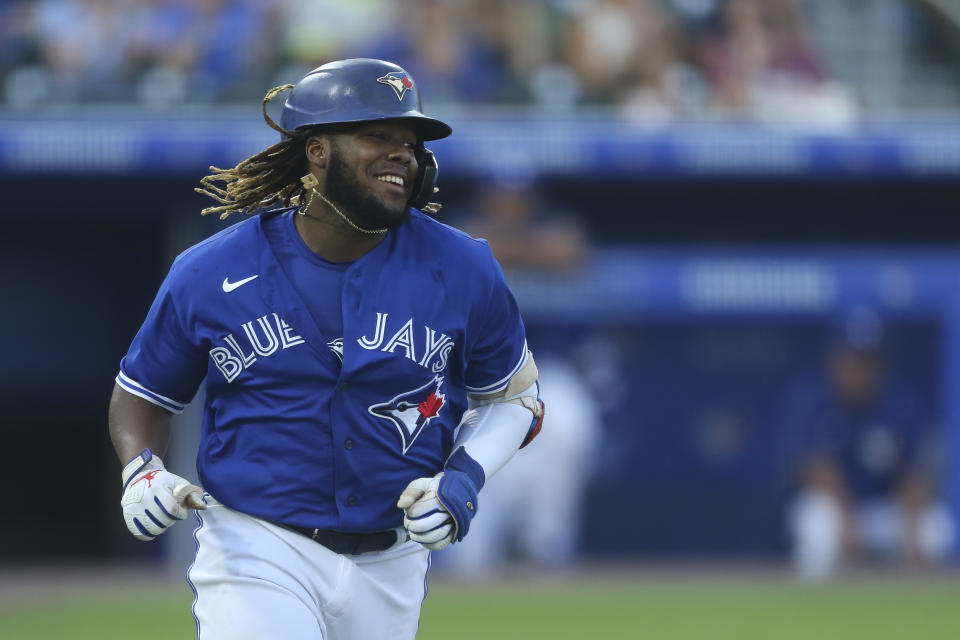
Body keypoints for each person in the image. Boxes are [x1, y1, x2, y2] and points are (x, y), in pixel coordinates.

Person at [108, 58, 544, 640]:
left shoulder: (462, 266)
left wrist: (461, 477)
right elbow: (141, 395)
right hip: (256, 545)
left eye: (410, 144)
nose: (403, 155)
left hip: (394, 557)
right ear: (316, 150)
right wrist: (141, 471)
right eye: (377, 136)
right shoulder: (210, 270)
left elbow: (515, 399)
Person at [785, 312, 953, 580]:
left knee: (936, 530)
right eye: (850, 359)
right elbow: (815, 468)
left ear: (879, 364)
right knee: (815, 523)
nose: (857, 369)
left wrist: (911, 528)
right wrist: (847, 518)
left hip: (884, 511)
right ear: (835, 360)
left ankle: (908, 604)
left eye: (866, 361)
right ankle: (818, 609)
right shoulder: (815, 401)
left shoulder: (900, 404)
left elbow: (913, 473)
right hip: (837, 507)